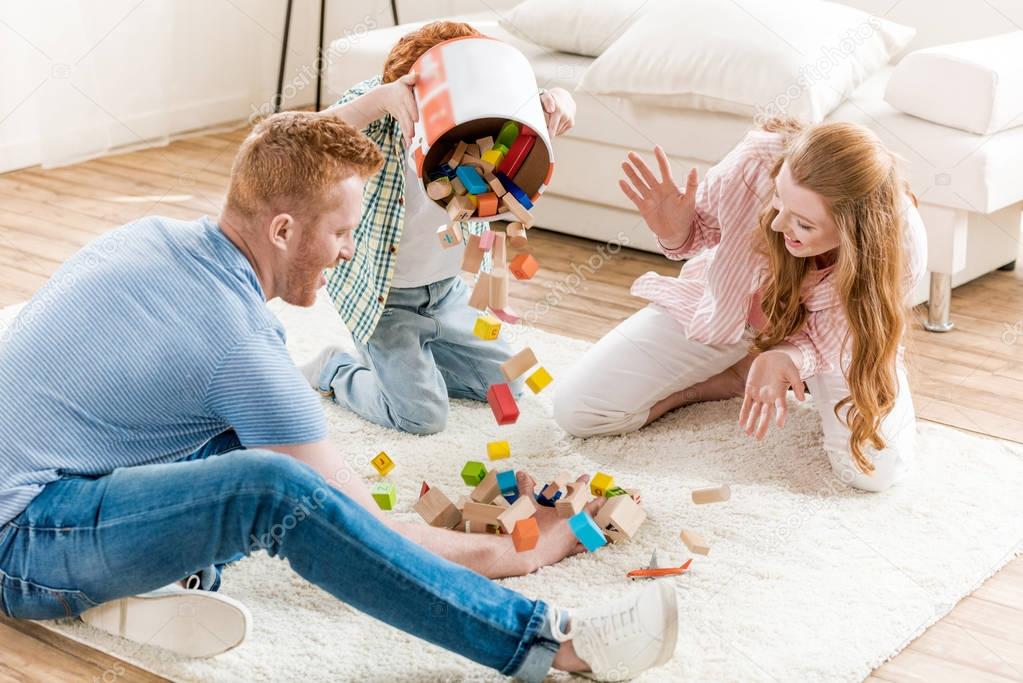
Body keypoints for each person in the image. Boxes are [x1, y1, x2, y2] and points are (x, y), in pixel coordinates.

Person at [0, 112, 676, 681]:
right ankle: (554, 643)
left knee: (254, 440)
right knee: (273, 487)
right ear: (284, 230)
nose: (350, 252)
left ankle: (139, 582)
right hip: (21, 542)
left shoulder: (150, 234)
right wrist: (529, 550)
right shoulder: (239, 348)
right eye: (342, 231)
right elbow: (369, 532)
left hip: (51, 483)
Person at [554, 119, 927, 492]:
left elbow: (838, 336)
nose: (779, 224)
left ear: (852, 229)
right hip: (735, 308)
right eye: (779, 199)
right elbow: (703, 231)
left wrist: (791, 358)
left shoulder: (900, 244)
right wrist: (675, 231)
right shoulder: (758, 160)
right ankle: (731, 376)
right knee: (579, 411)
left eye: (804, 224)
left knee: (876, 470)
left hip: (837, 341)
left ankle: (772, 371)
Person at [300, 21, 577, 435]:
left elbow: (541, 103)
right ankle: (335, 369)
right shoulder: (381, 116)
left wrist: (560, 100)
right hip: (387, 303)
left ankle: (411, 366)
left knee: (508, 384)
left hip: (447, 294)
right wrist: (380, 100)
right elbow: (303, 138)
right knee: (421, 417)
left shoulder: (484, 118)